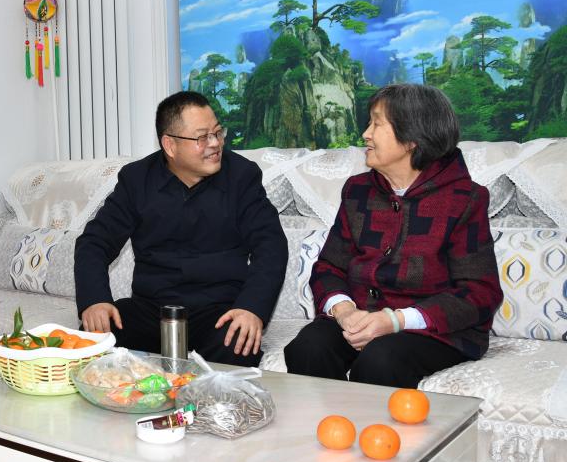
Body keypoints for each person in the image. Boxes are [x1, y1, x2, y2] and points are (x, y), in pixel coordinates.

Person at [284, 84, 504, 388]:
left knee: (381, 359)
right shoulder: (358, 190)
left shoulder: (464, 199)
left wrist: (395, 320)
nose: (366, 134)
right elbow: (329, 267)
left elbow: (479, 292)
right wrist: (344, 310)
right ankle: (327, 420)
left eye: (377, 124)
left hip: (433, 329)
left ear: (412, 138)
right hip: (362, 317)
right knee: (308, 347)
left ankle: (371, 423)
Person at [74, 91, 287, 366]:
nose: (215, 143)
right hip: (153, 310)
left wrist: (251, 308)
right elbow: (94, 242)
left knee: (238, 344)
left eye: (218, 133)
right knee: (93, 340)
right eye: (202, 137)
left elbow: (271, 246)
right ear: (170, 145)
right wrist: (95, 301)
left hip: (219, 312)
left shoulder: (242, 176)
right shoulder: (137, 180)